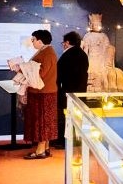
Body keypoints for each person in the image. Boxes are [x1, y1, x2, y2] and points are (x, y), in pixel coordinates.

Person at [24, 30, 58, 159]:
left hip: (43, 93)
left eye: (33, 39)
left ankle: (40, 151)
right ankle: (45, 148)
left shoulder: (47, 53)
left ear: (40, 40)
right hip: (43, 91)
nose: (32, 42)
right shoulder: (46, 52)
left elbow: (40, 74)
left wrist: (22, 69)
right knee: (44, 120)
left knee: (41, 121)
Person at [53, 31, 88, 149]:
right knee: (77, 118)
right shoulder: (83, 54)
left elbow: (59, 75)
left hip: (67, 92)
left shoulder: (66, 55)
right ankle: (77, 140)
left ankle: (65, 140)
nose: (63, 44)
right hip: (81, 92)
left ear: (67, 43)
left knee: (66, 117)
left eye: (63, 42)